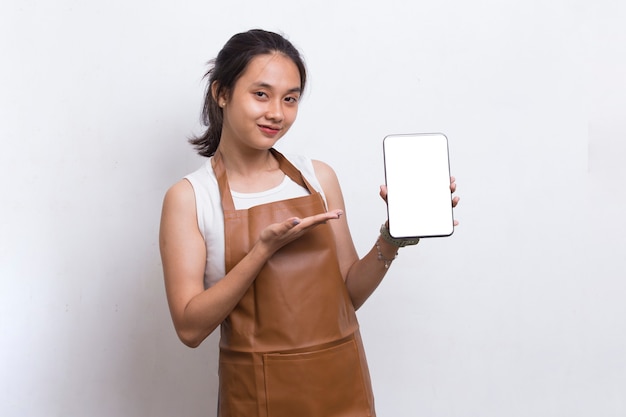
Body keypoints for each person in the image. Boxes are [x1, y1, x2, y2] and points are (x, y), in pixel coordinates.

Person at [159, 29, 460, 417]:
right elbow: (189, 329)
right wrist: (262, 251)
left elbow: (348, 293)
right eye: (261, 94)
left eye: (291, 98)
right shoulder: (190, 198)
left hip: (342, 386)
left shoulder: (318, 177)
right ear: (221, 93)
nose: (277, 113)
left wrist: (392, 239)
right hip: (257, 397)